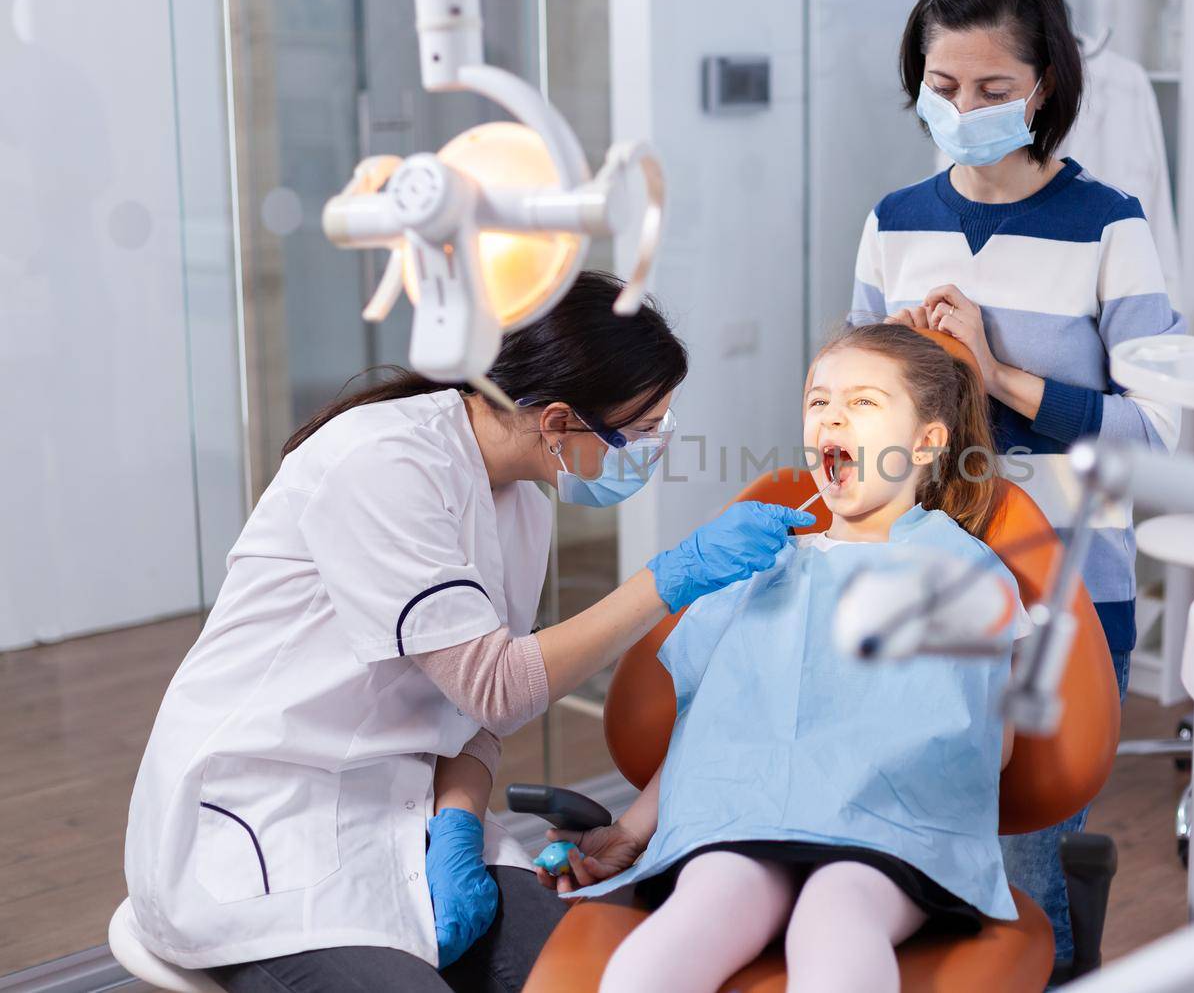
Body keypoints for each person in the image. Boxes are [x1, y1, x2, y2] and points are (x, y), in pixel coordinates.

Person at [123, 271, 816, 992]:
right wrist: (671, 575)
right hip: (268, 821)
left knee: (591, 977)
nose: (652, 449)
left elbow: (468, 715)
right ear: (555, 423)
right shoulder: (382, 462)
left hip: (405, 809)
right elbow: (499, 687)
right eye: (640, 432)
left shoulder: (524, 495)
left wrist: (456, 823)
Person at [849, 0, 1186, 975]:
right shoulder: (892, 222)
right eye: (943, 88)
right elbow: (852, 432)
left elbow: (1154, 431)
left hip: (1067, 591)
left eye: (993, 90)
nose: (965, 109)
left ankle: (1064, 948)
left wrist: (996, 373)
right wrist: (915, 386)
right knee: (918, 865)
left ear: (1046, 86)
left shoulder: (1107, 226)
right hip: (923, 582)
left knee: (1021, 865)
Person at [543, 325, 1028, 993]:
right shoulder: (762, 562)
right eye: (818, 401)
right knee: (689, 921)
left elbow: (988, 744)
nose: (831, 415)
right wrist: (628, 830)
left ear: (926, 440)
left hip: (883, 838)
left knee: (833, 922)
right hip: (745, 822)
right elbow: (710, 724)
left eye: (862, 403)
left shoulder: (958, 571)